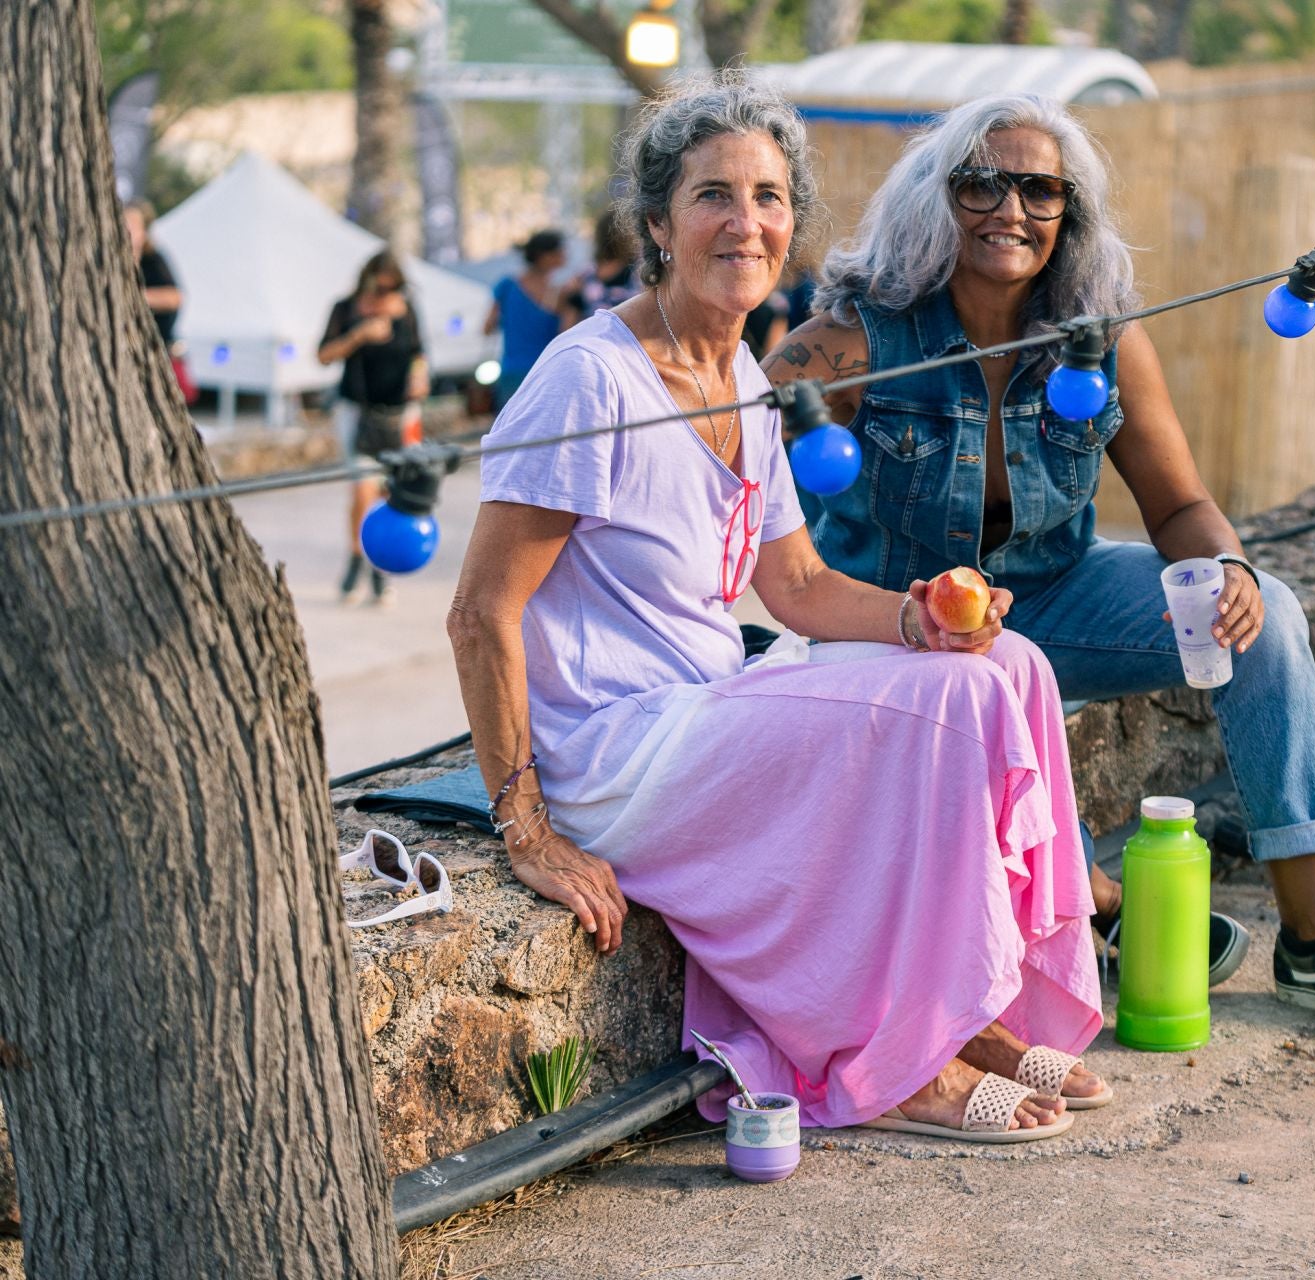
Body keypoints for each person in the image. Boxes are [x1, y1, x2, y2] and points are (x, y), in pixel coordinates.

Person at [447, 76, 1106, 1142]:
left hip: (715, 704)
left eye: (767, 196)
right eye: (713, 195)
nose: (744, 221)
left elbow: (793, 584)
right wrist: (523, 824)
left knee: (1005, 664)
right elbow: (479, 613)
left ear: (792, 224)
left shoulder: (745, 376)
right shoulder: (591, 380)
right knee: (925, 721)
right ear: (657, 224)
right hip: (617, 750)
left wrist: (923, 617)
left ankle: (964, 1007)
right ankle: (898, 1062)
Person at [764, 94, 1315, 1043]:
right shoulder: (854, 343)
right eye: (983, 183)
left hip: (1055, 594)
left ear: (1069, 212)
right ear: (938, 198)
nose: (1012, 207)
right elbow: (749, 499)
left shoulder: (1102, 342)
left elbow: (1178, 507)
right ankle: (1103, 906)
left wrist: (1232, 570)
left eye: (1041, 189)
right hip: (902, 630)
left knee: (1269, 621)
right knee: (981, 690)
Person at [319, 250, 427, 607]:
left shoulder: (406, 310)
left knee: (389, 491)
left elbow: (418, 353)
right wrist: (359, 336)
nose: (384, 297)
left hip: (400, 412)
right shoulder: (346, 308)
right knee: (362, 490)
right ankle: (355, 555)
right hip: (358, 412)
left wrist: (419, 377)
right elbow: (322, 356)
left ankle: (380, 564)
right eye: (378, 289)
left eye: (390, 289)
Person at [486, 228, 567, 407]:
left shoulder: (507, 286)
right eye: (560, 252)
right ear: (545, 256)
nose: (565, 255)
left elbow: (487, 328)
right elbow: (565, 332)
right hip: (547, 371)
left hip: (511, 370)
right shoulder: (560, 293)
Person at [123, 200, 189, 398]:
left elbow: (175, 297)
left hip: (156, 348)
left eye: (134, 225)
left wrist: (137, 297)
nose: (127, 229)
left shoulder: (153, 260)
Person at [559, 210, 641, 330]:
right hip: (625, 341)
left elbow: (567, 323)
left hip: (598, 341)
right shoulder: (639, 272)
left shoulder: (585, 274)